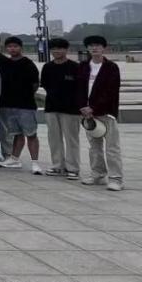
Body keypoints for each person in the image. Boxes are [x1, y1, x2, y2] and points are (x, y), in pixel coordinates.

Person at [78, 35, 122, 190]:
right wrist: (83, 107)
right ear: (87, 48)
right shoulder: (83, 66)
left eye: (97, 45)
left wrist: (94, 107)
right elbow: (78, 89)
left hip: (106, 113)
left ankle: (116, 178)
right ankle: (98, 174)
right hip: (88, 115)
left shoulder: (111, 67)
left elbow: (111, 91)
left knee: (112, 148)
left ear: (104, 48)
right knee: (94, 147)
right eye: (90, 46)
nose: (94, 48)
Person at [0, 37, 42, 174]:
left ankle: (35, 163)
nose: (12, 49)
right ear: (6, 48)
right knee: (16, 133)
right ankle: (14, 158)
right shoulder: (5, 63)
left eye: (15, 46)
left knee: (31, 134)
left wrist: (24, 95)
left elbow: (35, 84)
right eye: (10, 46)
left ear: (21, 48)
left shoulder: (28, 64)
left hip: (25, 105)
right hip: (8, 104)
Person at [39, 38, 81, 178]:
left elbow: (80, 88)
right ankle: (57, 165)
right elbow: (45, 84)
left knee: (71, 139)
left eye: (60, 48)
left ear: (66, 50)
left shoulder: (75, 67)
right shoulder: (47, 67)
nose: (56, 51)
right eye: (54, 49)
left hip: (71, 109)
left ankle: (73, 168)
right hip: (51, 107)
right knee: (54, 138)